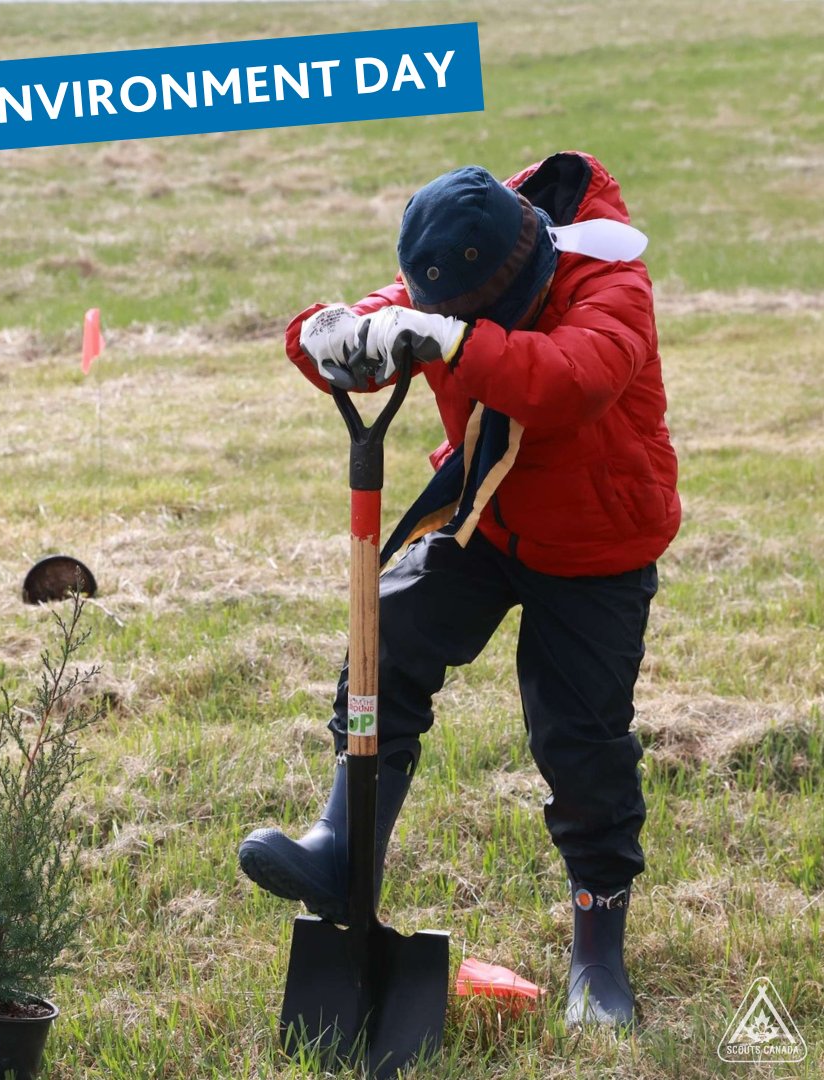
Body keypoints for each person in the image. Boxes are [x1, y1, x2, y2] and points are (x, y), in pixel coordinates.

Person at [238, 151, 680, 1029]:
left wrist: (449, 339)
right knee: (388, 634)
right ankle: (345, 850)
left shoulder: (609, 280)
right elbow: (361, 324)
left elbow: (570, 379)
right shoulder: (459, 266)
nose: (445, 324)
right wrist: (332, 333)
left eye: (464, 319)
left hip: (597, 547)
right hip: (486, 513)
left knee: (579, 739)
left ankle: (597, 954)